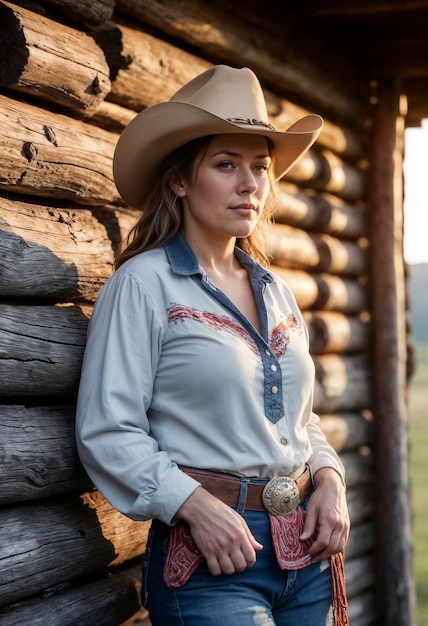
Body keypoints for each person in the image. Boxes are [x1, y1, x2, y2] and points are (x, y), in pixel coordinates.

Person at [75, 65, 350, 626]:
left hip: (307, 552)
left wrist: (328, 478)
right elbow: (108, 428)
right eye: (226, 165)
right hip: (210, 557)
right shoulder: (143, 285)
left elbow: (298, 419)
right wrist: (193, 505)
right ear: (179, 179)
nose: (250, 184)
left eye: (260, 168)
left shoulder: (276, 291)